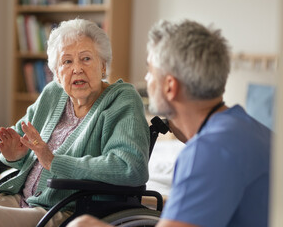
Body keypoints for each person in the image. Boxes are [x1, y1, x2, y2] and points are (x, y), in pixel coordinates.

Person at [0, 19, 150, 227]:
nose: (77, 69)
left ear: (103, 65)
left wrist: (54, 161)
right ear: (56, 72)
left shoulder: (122, 100)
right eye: (67, 61)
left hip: (66, 208)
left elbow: (131, 168)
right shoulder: (53, 94)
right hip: (22, 197)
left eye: (86, 58)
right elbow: (20, 143)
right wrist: (14, 155)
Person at [67, 19, 271, 227]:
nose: (146, 79)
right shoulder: (257, 133)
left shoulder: (207, 152)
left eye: (150, 71)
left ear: (170, 87)